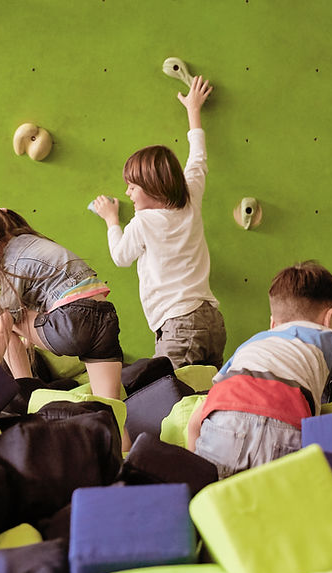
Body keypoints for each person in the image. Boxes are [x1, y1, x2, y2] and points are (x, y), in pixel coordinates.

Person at [187, 260, 332, 479]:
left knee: (212, 500)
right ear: (329, 318)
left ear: (273, 323)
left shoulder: (250, 345)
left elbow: (197, 420)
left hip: (222, 423)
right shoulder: (328, 338)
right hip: (282, 427)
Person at [92, 74, 226, 370]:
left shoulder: (143, 223)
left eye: (132, 187)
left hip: (179, 326)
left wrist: (111, 220)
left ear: (153, 189)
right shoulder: (190, 197)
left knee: (169, 397)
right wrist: (193, 110)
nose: (128, 192)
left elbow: (120, 256)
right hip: (212, 320)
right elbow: (198, 159)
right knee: (205, 396)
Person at [0, 207, 124, 403]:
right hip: (105, 318)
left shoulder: (12, 263)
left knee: (3, 319)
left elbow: (1, 329)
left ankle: (27, 392)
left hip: (72, 321)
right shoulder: (33, 243)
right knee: (112, 410)